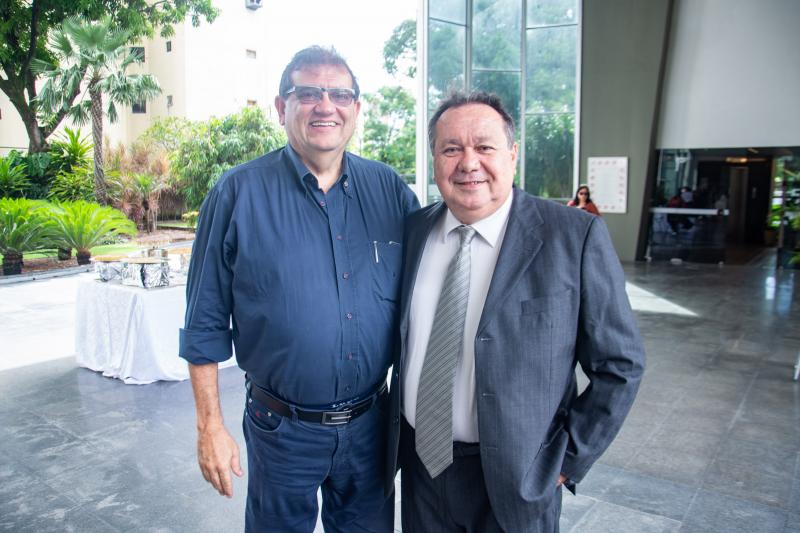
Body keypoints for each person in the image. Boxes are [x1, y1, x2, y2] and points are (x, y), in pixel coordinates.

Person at [179, 46, 419, 532]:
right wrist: (210, 427)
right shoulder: (236, 193)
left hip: (372, 428)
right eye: (308, 93)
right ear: (280, 106)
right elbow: (204, 322)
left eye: (340, 95)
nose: (325, 106)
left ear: (356, 108)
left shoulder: (390, 191)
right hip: (281, 431)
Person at [384, 92, 645, 532]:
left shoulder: (573, 236)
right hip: (421, 472)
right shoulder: (414, 231)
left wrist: (566, 462)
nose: (468, 163)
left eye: (484, 147)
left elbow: (621, 364)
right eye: (451, 149)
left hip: (520, 478)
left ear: (512, 154)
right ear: (435, 159)